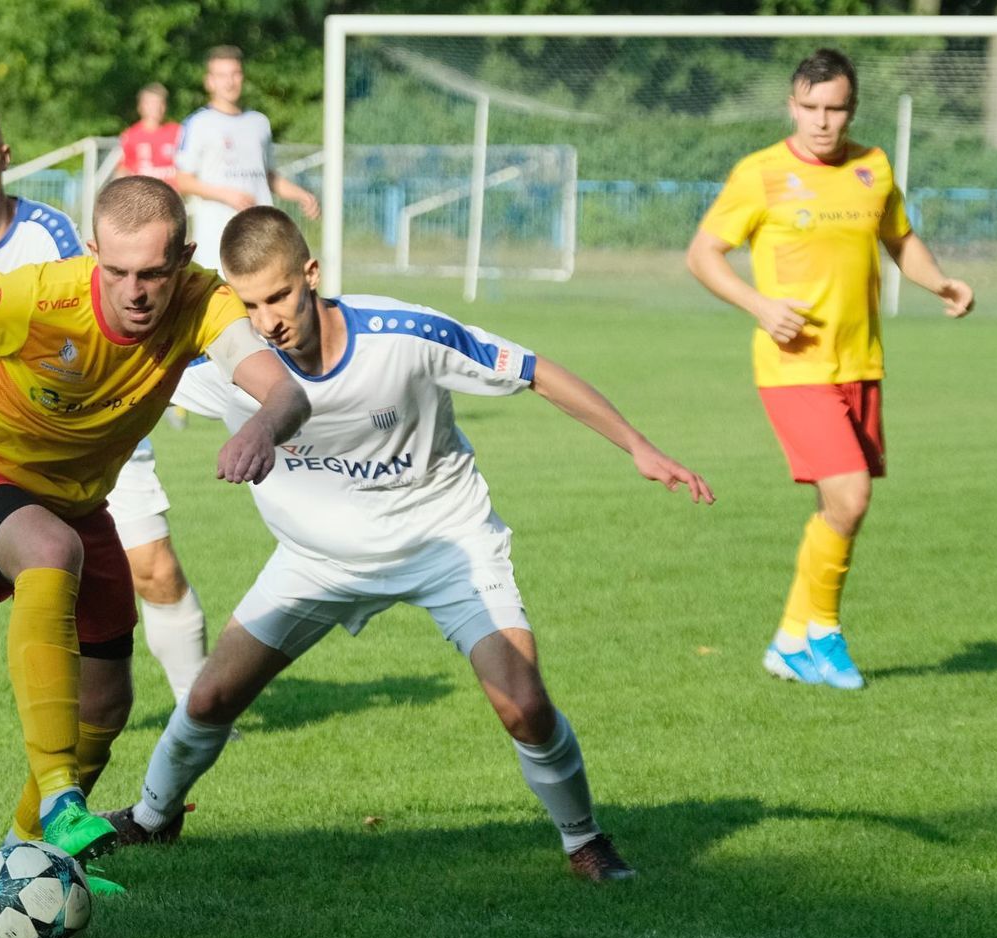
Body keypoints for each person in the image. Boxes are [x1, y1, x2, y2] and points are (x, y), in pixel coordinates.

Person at [102, 206, 715, 883]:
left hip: (445, 545)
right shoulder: (229, 360)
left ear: (311, 274)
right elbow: (117, 367)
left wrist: (640, 447)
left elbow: (536, 370)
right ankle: (153, 819)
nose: (267, 319)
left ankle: (584, 841)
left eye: (277, 295)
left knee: (524, 702)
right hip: (316, 563)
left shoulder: (405, 335)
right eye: (248, 305)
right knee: (211, 699)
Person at [0, 178, 310, 893]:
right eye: (119, 271)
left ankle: (25, 855)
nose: (136, 291)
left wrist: (259, 426)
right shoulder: (40, 296)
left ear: (185, 260)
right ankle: (64, 796)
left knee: (106, 703)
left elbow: (284, 391)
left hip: (75, 501)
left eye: (154, 274)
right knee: (49, 550)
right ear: (94, 252)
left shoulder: (202, 302)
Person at [0, 102, 213, 715]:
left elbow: (108, 311)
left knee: (155, 570)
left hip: (100, 426)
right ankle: (62, 752)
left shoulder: (52, 236)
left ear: (4, 157)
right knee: (49, 572)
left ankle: (195, 714)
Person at [686, 49, 974, 691]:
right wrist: (759, 305)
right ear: (793, 106)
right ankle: (822, 633)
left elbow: (899, 238)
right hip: (793, 368)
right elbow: (704, 253)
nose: (821, 121)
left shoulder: (872, 167)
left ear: (852, 109)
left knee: (837, 507)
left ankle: (792, 640)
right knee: (851, 495)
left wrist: (939, 283)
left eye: (834, 109)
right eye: (810, 108)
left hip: (861, 363)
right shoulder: (760, 174)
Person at [177, 45, 320, 272]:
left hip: (261, 232)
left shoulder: (259, 122)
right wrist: (226, 194)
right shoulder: (198, 123)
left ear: (243, 77)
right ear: (209, 81)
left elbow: (268, 176)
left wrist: (301, 194)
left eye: (235, 74)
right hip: (218, 235)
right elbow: (183, 180)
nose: (230, 82)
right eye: (222, 75)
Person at [116, 82, 181, 187]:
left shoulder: (177, 132)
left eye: (160, 103)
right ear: (140, 106)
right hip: (144, 197)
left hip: (171, 196)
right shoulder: (130, 135)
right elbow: (122, 171)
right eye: (151, 103)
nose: (156, 108)